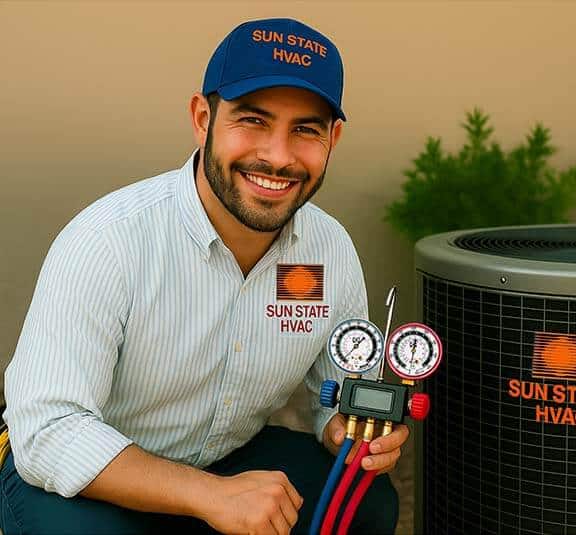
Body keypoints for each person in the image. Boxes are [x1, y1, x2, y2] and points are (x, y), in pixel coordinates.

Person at [0, 18, 403, 535]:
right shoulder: (110, 240)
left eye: (306, 129)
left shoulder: (329, 253)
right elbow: (49, 431)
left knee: (365, 503)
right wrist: (208, 496)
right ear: (201, 117)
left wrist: (349, 432)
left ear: (334, 138)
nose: (278, 157)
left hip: (226, 454)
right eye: (252, 121)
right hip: (91, 475)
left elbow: (341, 392)